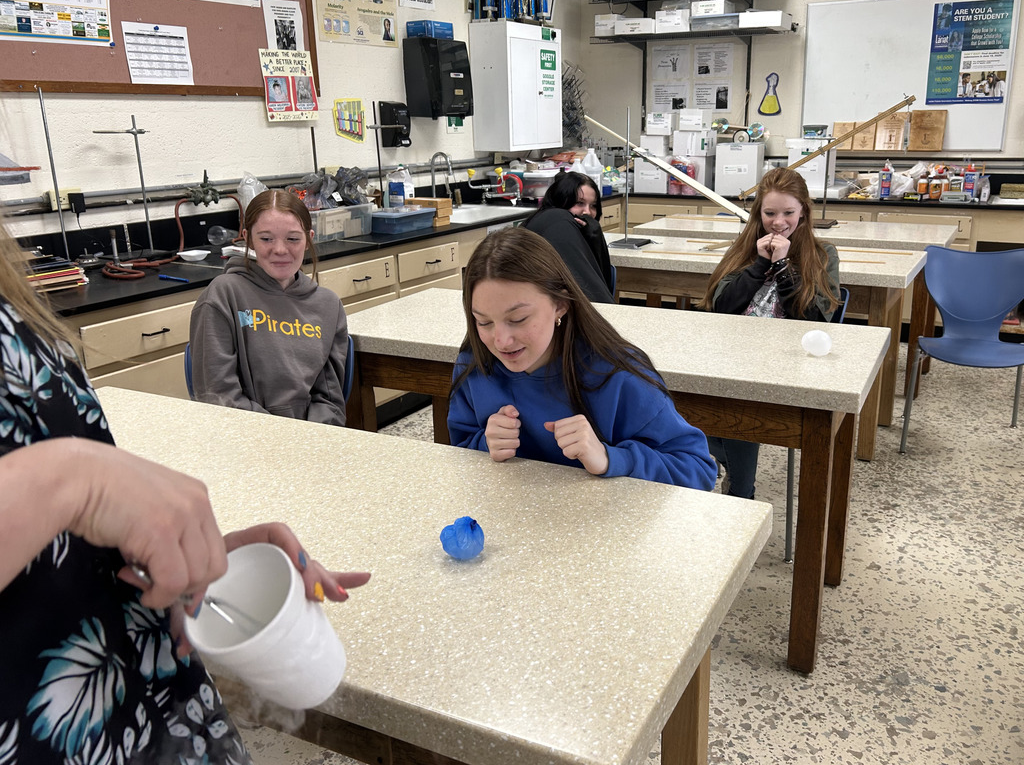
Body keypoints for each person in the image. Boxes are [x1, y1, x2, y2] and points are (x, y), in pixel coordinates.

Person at [0, 219, 370, 763]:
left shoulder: (12, 300)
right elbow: (63, 483)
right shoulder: (227, 296)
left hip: (149, 695)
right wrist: (73, 478)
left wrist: (180, 560)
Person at [447, 227, 717, 490]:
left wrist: (611, 457)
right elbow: (461, 452)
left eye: (518, 319)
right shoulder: (474, 363)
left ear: (560, 304)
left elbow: (697, 470)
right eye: (483, 322)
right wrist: (484, 444)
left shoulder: (618, 375)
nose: (501, 341)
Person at [696, 168, 841, 499]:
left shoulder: (823, 255)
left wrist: (784, 268)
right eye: (770, 213)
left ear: (803, 211)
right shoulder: (744, 249)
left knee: (739, 411)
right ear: (758, 214)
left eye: (788, 213)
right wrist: (760, 265)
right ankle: (717, 462)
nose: (778, 222)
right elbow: (721, 305)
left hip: (786, 361)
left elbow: (815, 319)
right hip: (734, 352)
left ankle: (739, 489)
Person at [190, 189, 349, 426]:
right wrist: (279, 439)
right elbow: (218, 396)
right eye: (266, 239)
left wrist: (312, 441)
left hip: (311, 441)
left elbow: (329, 400)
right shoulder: (223, 296)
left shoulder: (327, 305)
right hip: (244, 439)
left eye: (293, 239)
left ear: (309, 239)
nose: (280, 250)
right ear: (248, 238)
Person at [523, 171, 615, 304]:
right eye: (579, 203)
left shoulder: (570, 225)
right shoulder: (558, 223)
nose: (587, 212)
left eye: (593, 206)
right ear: (561, 201)